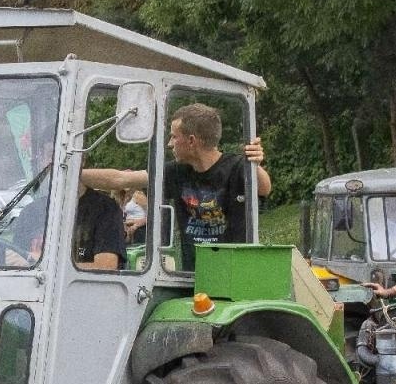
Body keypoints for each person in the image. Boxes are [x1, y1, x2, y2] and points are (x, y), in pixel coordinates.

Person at [81, 102, 270, 269]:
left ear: (191, 141)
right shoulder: (176, 171)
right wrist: (69, 173)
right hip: (193, 276)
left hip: (234, 275)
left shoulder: (236, 167)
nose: (170, 143)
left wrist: (254, 163)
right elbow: (121, 179)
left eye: (173, 136)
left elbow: (264, 188)